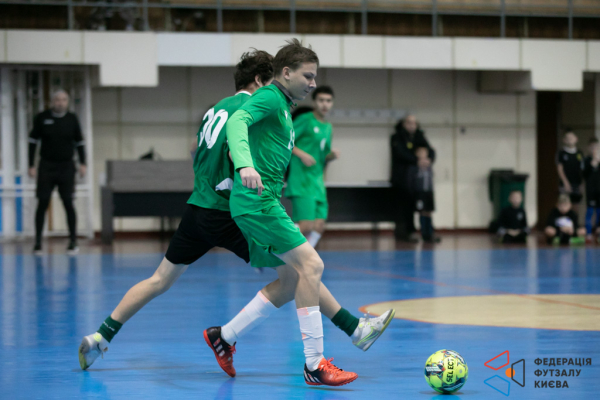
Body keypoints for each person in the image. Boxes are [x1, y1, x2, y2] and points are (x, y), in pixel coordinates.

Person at [78, 50, 394, 382]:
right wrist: (246, 167)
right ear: (260, 80)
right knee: (300, 271)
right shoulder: (252, 107)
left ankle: (101, 337)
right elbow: (235, 145)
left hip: (198, 207)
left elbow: (195, 150)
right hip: (229, 211)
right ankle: (343, 335)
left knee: (159, 280)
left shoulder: (215, 108)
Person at [223, 39, 363, 387]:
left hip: (264, 200)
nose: (313, 84)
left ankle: (224, 336)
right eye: (308, 76)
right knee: (312, 265)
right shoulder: (271, 96)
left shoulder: (285, 107)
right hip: (257, 201)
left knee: (290, 281)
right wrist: (244, 164)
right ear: (285, 73)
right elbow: (237, 121)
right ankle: (314, 365)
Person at [28, 89, 86, 255]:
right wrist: (31, 165)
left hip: (66, 166)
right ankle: (38, 242)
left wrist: (83, 163)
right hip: (47, 166)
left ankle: (73, 241)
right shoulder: (42, 117)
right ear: (52, 101)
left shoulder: (72, 119)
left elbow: (79, 142)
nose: (60, 103)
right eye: (57, 100)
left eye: (63, 100)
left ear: (67, 102)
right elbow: (32, 141)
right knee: (42, 202)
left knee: (68, 202)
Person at [285, 85, 339, 248]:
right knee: (306, 225)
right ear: (314, 102)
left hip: (317, 182)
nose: (325, 104)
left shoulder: (328, 127)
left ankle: (305, 255)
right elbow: (285, 140)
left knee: (319, 226)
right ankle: (276, 250)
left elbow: (323, 154)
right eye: (321, 100)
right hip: (302, 181)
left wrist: (331, 155)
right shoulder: (305, 120)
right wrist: (302, 154)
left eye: (328, 101)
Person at [390, 115, 435, 242]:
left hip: (418, 182)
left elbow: (430, 150)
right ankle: (408, 231)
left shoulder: (419, 136)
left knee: (425, 208)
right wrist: (417, 160)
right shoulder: (397, 137)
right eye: (409, 123)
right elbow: (400, 153)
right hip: (403, 179)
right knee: (406, 207)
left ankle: (427, 232)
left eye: (414, 123)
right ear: (404, 124)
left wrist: (428, 159)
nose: (412, 125)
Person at [407, 147, 439, 243]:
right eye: (421, 153)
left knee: (428, 212)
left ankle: (430, 233)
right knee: (422, 212)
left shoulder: (429, 166)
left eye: (425, 153)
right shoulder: (414, 167)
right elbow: (411, 180)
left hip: (428, 192)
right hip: (419, 193)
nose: (423, 155)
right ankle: (424, 233)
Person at [556, 130, 584, 205]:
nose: (570, 139)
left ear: (576, 139)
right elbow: (560, 169)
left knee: (575, 204)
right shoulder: (561, 153)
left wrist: (581, 183)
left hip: (577, 183)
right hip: (565, 184)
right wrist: (565, 182)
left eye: (571, 137)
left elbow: (582, 169)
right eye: (568, 138)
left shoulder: (580, 153)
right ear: (564, 140)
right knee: (564, 204)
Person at [583, 137, 600, 242]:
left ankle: (598, 233)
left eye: (596, 147)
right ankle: (588, 233)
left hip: (599, 190)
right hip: (590, 190)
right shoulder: (586, 160)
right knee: (590, 211)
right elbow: (584, 175)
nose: (594, 149)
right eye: (592, 147)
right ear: (589, 148)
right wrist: (592, 164)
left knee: (599, 212)